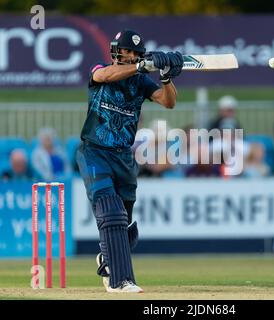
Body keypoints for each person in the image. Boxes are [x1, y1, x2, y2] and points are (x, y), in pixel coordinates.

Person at [75, 29, 183, 293]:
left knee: (124, 226)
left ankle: (107, 257)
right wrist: (141, 65)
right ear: (116, 51)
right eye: (127, 51)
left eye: (136, 53)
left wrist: (166, 76)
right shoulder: (101, 70)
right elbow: (104, 75)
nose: (131, 55)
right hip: (95, 151)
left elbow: (168, 103)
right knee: (110, 212)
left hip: (123, 158)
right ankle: (120, 281)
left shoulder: (142, 82)